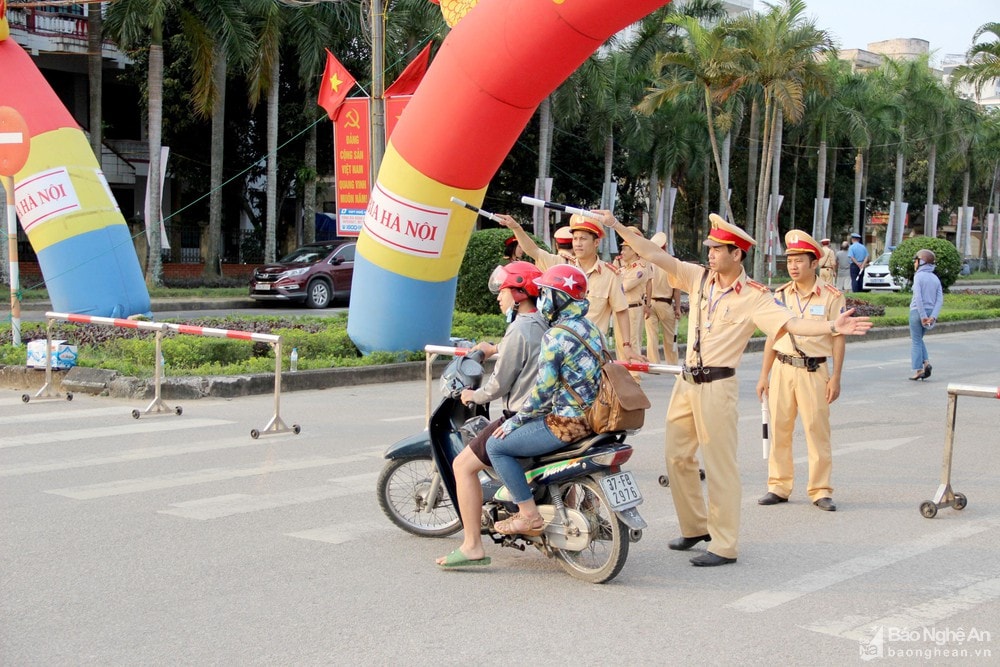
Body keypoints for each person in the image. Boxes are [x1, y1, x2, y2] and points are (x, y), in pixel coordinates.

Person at [595, 211, 873, 567]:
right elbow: (654, 254)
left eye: (718, 249)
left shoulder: (755, 297)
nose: (710, 254)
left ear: (737, 254)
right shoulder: (698, 278)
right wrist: (617, 226)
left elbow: (793, 324)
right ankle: (695, 527)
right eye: (709, 248)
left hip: (717, 384)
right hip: (687, 381)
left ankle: (724, 545)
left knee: (719, 465)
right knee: (677, 457)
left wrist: (832, 325)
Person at [436, 262, 548, 568]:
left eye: (504, 291)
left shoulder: (520, 328)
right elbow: (519, 352)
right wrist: (490, 348)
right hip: (546, 412)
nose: (499, 296)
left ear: (520, 293)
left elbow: (499, 383)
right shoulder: (541, 322)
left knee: (462, 465)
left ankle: (472, 545)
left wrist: (474, 395)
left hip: (520, 415)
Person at [485, 264, 604, 537]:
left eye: (546, 294)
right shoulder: (591, 328)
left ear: (557, 299)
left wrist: (516, 421)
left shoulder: (556, 335)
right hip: (597, 419)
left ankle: (528, 515)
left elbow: (542, 391)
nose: (542, 299)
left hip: (566, 423)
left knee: (496, 446)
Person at [756, 230, 846, 513]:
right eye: (790, 260)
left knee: (816, 431)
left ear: (813, 263)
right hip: (783, 368)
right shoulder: (780, 295)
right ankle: (778, 486)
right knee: (779, 428)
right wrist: (764, 375)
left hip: (813, 371)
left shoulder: (831, 296)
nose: (793, 266)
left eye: (799, 260)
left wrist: (836, 377)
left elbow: (838, 337)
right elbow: (773, 335)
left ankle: (820, 489)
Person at [499, 213, 644, 364]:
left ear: (596, 242)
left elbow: (621, 311)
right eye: (575, 239)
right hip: (559, 348)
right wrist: (516, 228)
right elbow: (534, 251)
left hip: (590, 352)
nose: (578, 243)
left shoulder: (610, 274)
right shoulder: (562, 266)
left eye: (583, 239)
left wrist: (626, 345)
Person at [644, 232, 682, 365]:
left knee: (651, 337)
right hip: (666, 304)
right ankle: (672, 364)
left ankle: (653, 364)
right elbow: (676, 289)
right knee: (670, 337)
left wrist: (646, 305)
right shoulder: (672, 263)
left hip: (650, 303)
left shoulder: (648, 263)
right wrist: (677, 307)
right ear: (665, 246)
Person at [908, 249, 943, 381]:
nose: (914, 263)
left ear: (922, 262)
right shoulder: (935, 278)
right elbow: (939, 300)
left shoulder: (918, 276)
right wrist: (932, 316)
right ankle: (926, 363)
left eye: (916, 261)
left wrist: (922, 315)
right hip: (930, 313)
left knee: (916, 341)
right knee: (919, 339)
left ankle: (918, 370)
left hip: (917, 311)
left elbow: (918, 297)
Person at [618, 233, 650, 355]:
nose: (622, 252)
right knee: (621, 345)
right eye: (622, 249)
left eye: (625, 249)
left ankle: (634, 374)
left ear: (634, 251)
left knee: (632, 343)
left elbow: (623, 287)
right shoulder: (624, 269)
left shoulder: (640, 270)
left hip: (632, 309)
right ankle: (623, 372)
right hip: (622, 309)